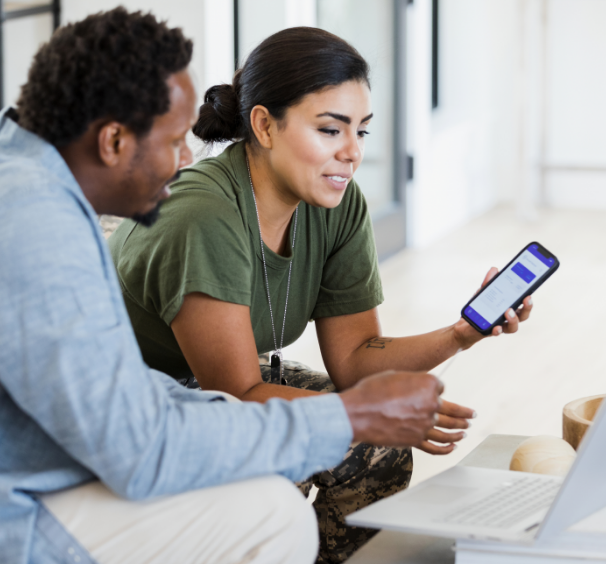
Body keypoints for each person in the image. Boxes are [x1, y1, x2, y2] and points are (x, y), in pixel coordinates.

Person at [0, 9, 447, 564]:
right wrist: (345, 418)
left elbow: (128, 396)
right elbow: (139, 448)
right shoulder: (28, 225)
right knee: (269, 514)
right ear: (113, 140)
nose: (185, 159)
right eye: (171, 142)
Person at [108, 27, 533, 563]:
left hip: (226, 382)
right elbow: (237, 393)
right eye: (331, 130)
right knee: (279, 472)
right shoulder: (204, 217)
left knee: (378, 448)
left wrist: (461, 333)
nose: (352, 153)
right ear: (264, 125)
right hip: (140, 397)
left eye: (362, 131)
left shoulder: (337, 203)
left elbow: (357, 361)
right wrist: (368, 413)